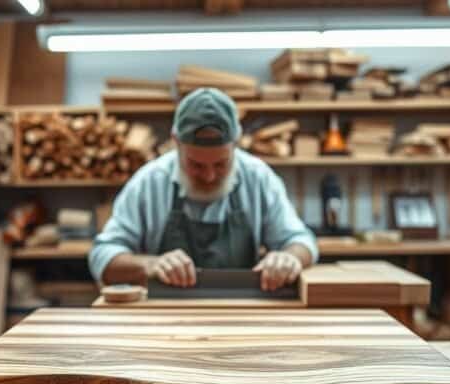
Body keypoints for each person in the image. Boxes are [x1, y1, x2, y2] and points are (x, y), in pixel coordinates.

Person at [87, 88, 318, 291]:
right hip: (163, 317)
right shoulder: (149, 183)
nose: (209, 176)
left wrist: (289, 258)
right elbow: (102, 256)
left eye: (221, 164)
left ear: (236, 143)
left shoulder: (258, 178)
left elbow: (301, 241)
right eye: (196, 165)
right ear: (175, 142)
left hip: (242, 311)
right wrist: (150, 265)